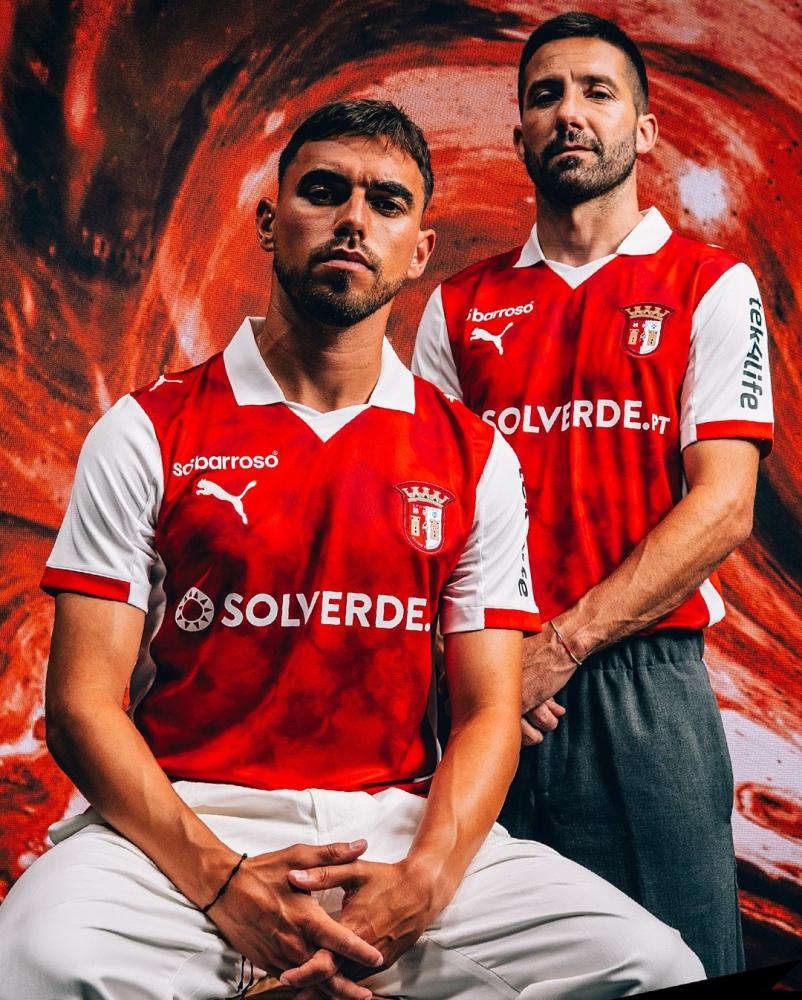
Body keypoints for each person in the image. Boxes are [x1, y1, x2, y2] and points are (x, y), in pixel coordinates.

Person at [0, 99, 703, 1000]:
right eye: (325, 192)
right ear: (269, 223)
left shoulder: (474, 456)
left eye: (386, 202)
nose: (353, 221)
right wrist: (222, 884)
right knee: (36, 959)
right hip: (183, 825)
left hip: (397, 828)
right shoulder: (146, 430)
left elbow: (489, 711)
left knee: (653, 968)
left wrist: (424, 885)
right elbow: (80, 706)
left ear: (419, 250)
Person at [412, 13, 773, 982]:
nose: (569, 112)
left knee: (680, 966)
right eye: (545, 95)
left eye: (596, 91)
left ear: (643, 129)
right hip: (488, 688)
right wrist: (481, 666)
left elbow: (724, 506)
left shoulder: (709, 284)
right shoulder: (457, 306)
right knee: (479, 976)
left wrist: (561, 646)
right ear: (519, 133)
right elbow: (427, 514)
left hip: (641, 681)